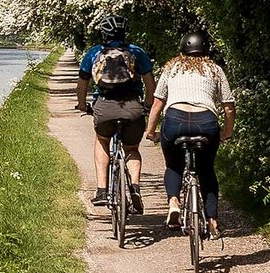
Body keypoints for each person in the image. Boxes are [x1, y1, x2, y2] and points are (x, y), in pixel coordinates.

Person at [147, 30, 235, 239]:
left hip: (174, 120)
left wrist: (150, 131)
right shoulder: (215, 70)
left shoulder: (172, 68)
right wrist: (226, 132)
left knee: (173, 166)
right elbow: (229, 107)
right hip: (205, 122)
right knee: (206, 170)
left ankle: (174, 202)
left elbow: (157, 103)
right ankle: (212, 219)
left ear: (182, 48)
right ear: (206, 49)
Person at [75, 14, 155, 211]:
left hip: (104, 107)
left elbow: (82, 84)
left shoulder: (94, 53)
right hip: (132, 108)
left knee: (102, 140)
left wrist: (82, 105)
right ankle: (134, 188)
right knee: (132, 149)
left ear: (103, 34)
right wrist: (147, 104)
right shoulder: (137, 52)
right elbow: (150, 84)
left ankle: (102, 190)